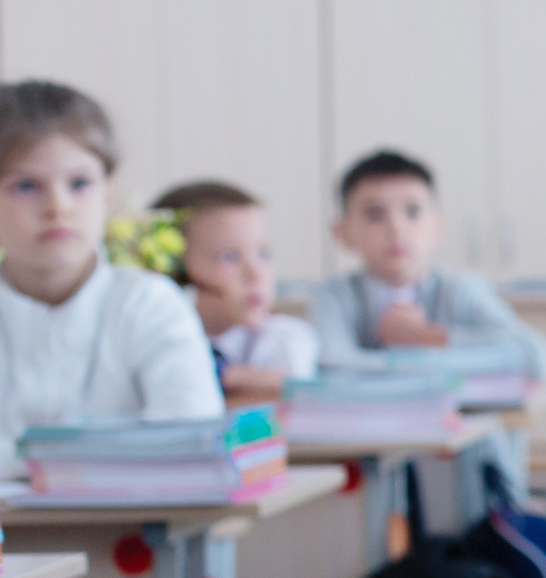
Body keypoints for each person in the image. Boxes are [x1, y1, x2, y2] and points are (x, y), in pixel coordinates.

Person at [0, 80, 220, 475]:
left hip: (130, 533)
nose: (58, 207)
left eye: (80, 184)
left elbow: (190, 436)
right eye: (27, 186)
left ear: (108, 192)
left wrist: (26, 459)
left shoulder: (149, 304)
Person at [305, 150, 546, 380]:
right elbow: (332, 367)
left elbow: (534, 358)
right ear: (342, 232)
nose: (396, 228)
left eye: (412, 212)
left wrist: (429, 337)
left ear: (438, 226)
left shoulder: (462, 289)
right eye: (375, 214)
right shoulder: (333, 296)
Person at [154, 179, 316, 403]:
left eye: (263, 253)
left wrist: (223, 375)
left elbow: (287, 401)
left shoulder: (285, 339)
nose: (255, 274)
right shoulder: (154, 342)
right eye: (229, 257)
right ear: (174, 272)